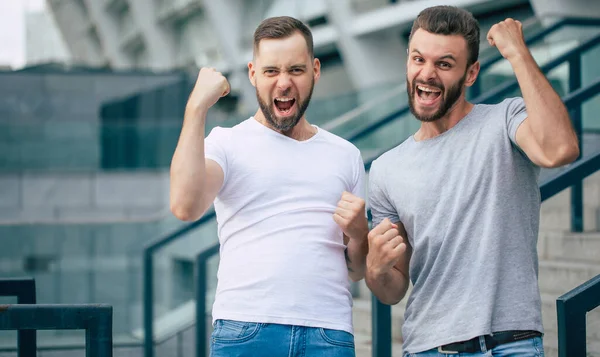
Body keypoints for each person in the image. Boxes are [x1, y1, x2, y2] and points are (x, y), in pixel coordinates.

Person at [365, 5, 579, 356]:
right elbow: (391, 290)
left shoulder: (505, 121)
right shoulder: (387, 169)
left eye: (444, 64)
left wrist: (518, 53)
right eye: (419, 59)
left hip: (513, 343)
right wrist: (375, 270)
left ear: (471, 73)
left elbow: (559, 149)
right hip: (431, 348)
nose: (427, 74)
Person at [169, 16, 369, 357]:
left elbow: (357, 270)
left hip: (329, 333)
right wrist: (196, 107)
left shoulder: (346, 155)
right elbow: (185, 206)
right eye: (271, 71)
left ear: (315, 70)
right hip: (246, 329)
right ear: (252, 74)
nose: (284, 83)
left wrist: (360, 234)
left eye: (296, 70)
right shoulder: (227, 143)